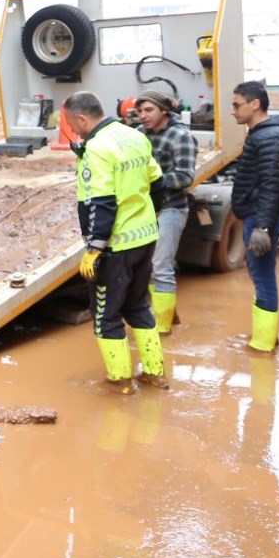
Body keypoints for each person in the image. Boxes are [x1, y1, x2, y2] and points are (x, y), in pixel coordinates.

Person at [63, 91, 167, 393]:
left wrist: (95, 248)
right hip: (145, 237)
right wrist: (149, 216)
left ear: (82, 118)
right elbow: (157, 182)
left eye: (72, 124)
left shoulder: (97, 149)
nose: (73, 130)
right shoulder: (133, 136)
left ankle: (120, 382)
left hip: (116, 246)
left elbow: (102, 201)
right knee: (137, 305)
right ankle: (154, 373)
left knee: (105, 316)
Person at [230, 80, 279, 353]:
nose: (233, 111)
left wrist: (263, 228)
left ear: (255, 104)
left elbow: (272, 185)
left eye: (237, 105)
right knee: (260, 275)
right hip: (258, 215)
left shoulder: (272, 137)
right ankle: (266, 337)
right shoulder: (263, 134)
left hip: (261, 217)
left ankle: (263, 343)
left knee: (263, 277)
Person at [135, 89, 196, 335]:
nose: (143, 115)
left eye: (149, 110)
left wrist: (151, 181)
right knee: (146, 267)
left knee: (161, 266)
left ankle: (162, 328)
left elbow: (185, 176)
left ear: (164, 110)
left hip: (171, 208)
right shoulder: (138, 135)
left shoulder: (181, 137)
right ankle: (168, 313)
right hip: (144, 209)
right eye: (140, 111)